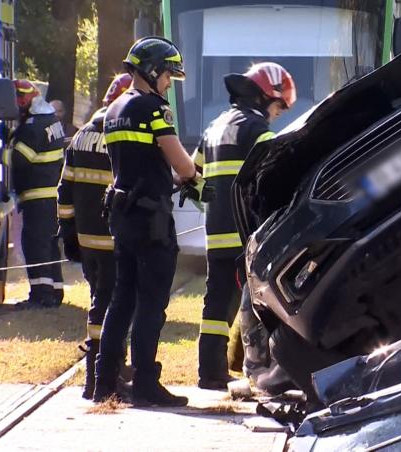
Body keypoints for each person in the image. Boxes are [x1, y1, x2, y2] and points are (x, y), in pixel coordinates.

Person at [93, 37, 198, 406]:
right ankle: (145, 385)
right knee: (152, 302)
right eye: (169, 74)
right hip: (152, 219)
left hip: (122, 217)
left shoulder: (114, 109)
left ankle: (103, 381)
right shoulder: (155, 109)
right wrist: (192, 175)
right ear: (154, 70)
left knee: (121, 299)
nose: (170, 82)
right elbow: (182, 165)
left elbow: (130, 164)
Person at [192, 62, 295, 390]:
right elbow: (274, 185)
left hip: (215, 230)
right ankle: (256, 369)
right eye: (279, 106)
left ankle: (210, 372)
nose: (279, 114)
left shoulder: (213, 126)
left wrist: (212, 206)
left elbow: (190, 177)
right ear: (266, 97)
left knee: (216, 303)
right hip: (246, 235)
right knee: (254, 303)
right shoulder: (259, 132)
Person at [57, 73, 132, 400]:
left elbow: (64, 190)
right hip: (117, 240)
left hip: (87, 241)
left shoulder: (81, 135)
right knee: (116, 307)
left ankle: (95, 374)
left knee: (98, 303)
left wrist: (69, 233)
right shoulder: (124, 135)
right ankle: (105, 377)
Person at [8, 80, 66, 309]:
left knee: (35, 244)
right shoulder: (50, 120)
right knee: (50, 244)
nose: (16, 103)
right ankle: (55, 290)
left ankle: (42, 295)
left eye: (18, 98)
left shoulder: (31, 127)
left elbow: (19, 161)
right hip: (52, 196)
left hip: (37, 195)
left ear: (28, 99)